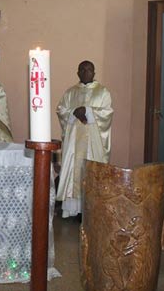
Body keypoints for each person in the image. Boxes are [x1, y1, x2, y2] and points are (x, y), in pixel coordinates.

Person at [56, 60, 113, 218]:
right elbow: (61, 110)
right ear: (78, 73)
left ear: (94, 73)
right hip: (74, 142)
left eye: (89, 69)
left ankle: (90, 211)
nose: (85, 72)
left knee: (91, 170)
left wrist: (88, 111)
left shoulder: (103, 92)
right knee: (74, 171)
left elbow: (107, 113)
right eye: (82, 69)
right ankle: (72, 210)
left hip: (93, 143)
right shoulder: (70, 92)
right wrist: (74, 112)